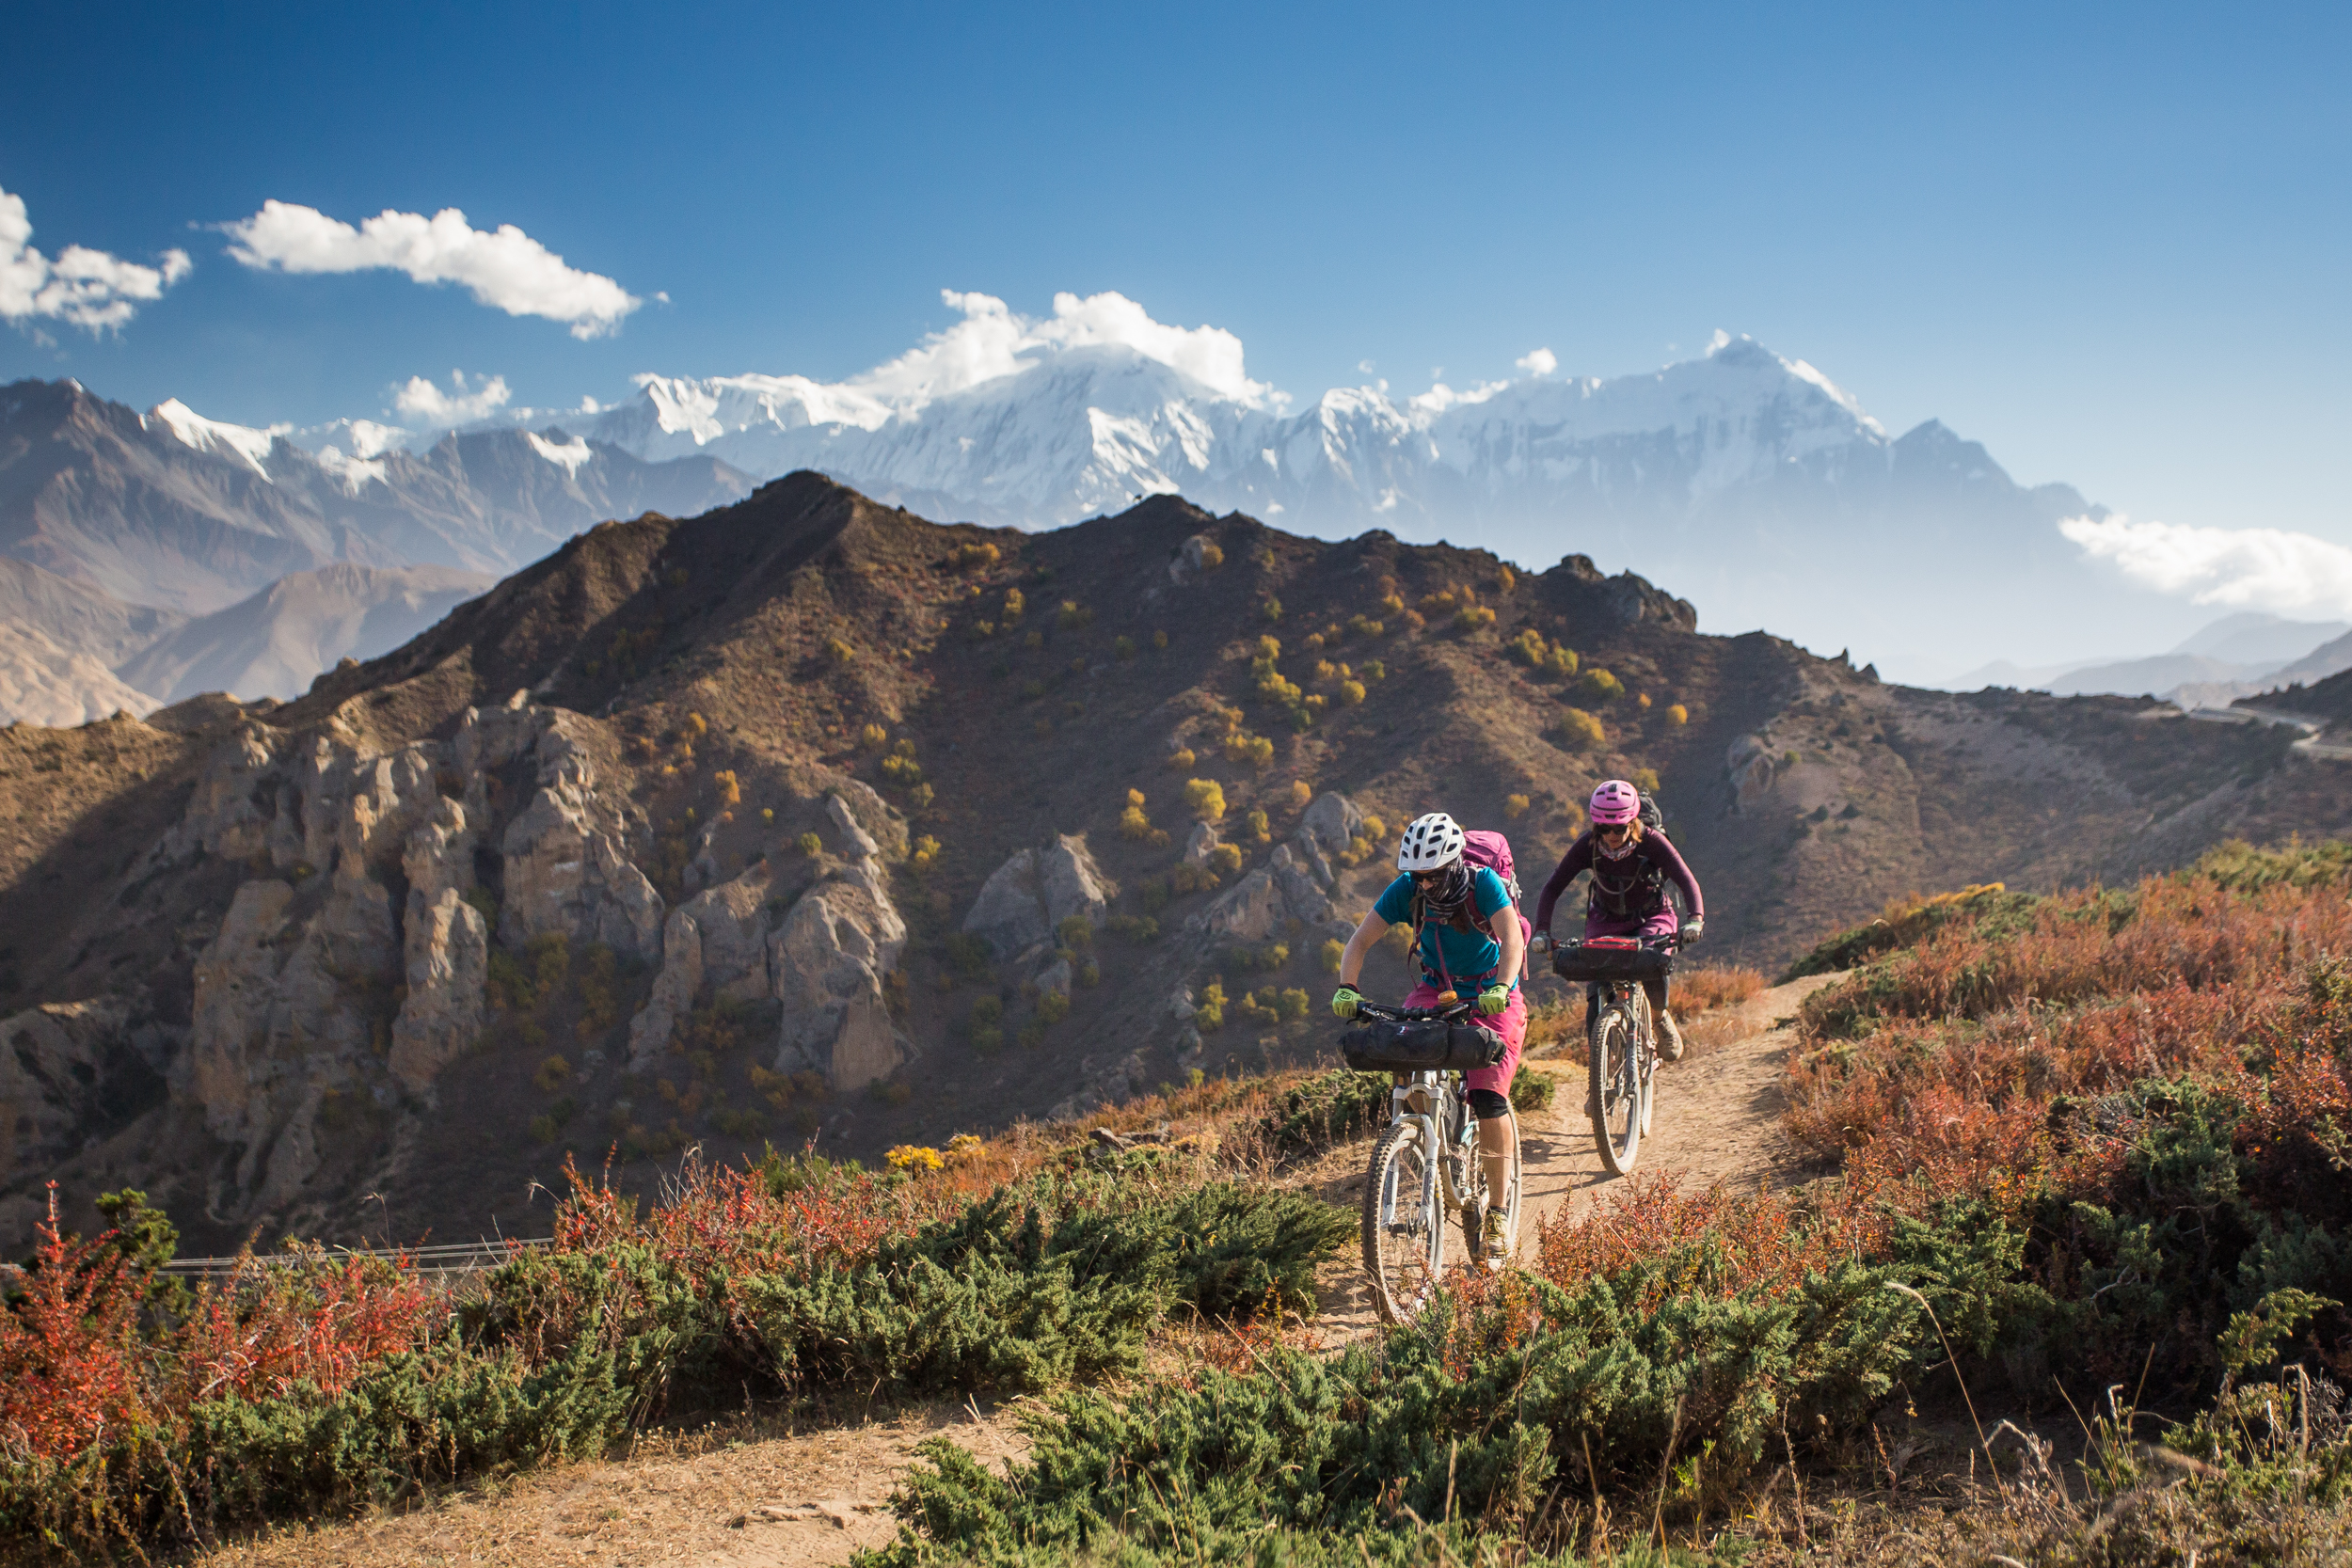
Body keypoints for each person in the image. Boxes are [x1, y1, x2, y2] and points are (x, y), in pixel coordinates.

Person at [1329, 812, 1527, 1257]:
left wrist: (1502, 985)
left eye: (1433, 876)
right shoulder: (1408, 891)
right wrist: (1348, 986)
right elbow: (1360, 940)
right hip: (1436, 988)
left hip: (1490, 993)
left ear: (1454, 864)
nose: (1425, 886)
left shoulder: (1483, 886)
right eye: (1417, 877)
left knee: (1489, 1095)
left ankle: (1496, 1211)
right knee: (1404, 1056)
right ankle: (1422, 1136)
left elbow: (1512, 939)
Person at [1528, 780, 1706, 1060]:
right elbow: (1552, 887)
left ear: (1632, 822)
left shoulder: (1651, 842)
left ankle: (1659, 1019)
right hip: (1605, 918)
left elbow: (1685, 878)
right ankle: (1598, 1071)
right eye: (1604, 828)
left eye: (1620, 828)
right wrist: (1541, 931)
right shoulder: (1587, 846)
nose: (1612, 835)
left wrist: (1695, 920)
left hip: (1652, 915)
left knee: (1652, 962)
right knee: (1597, 983)